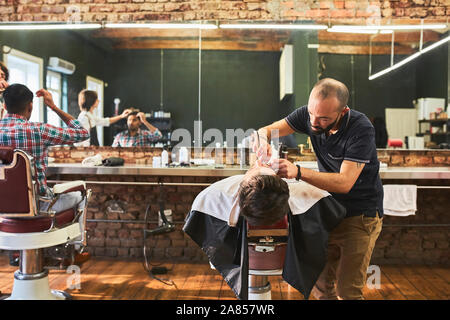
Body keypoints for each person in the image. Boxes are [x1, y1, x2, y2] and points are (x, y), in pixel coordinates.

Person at [252, 78, 383, 300]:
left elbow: (344, 182)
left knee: (348, 291)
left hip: (360, 215)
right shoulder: (310, 115)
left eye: (324, 118)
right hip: (329, 210)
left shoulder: (361, 129)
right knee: (321, 286)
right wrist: (262, 139)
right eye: (312, 114)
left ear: (343, 112)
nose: (314, 122)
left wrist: (298, 172)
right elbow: (265, 130)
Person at [183, 160, 346, 300]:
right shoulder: (307, 194)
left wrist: (255, 169)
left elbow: (201, 229)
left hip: (245, 260)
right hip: (281, 260)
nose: (261, 164)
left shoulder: (214, 196)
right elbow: (334, 215)